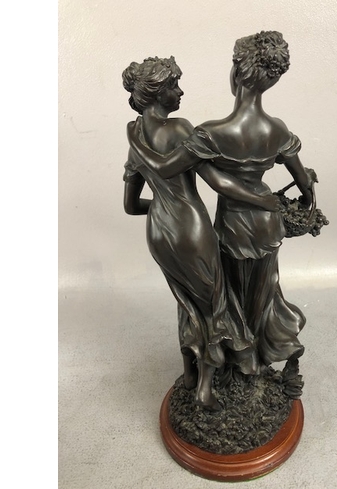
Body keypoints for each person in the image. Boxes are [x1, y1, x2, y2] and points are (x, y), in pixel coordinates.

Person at [127, 32, 316, 369]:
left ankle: (237, 367)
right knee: (263, 291)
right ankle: (256, 361)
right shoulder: (277, 129)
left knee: (230, 294)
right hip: (267, 224)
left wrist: (135, 141)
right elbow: (305, 184)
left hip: (233, 225)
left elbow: (172, 172)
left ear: (235, 74)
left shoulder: (211, 133)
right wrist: (300, 201)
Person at [122, 56, 280, 410]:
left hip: (158, 233)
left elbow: (131, 206)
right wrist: (260, 199)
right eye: (173, 86)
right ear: (156, 93)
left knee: (187, 302)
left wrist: (163, 208)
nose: (180, 92)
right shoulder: (180, 129)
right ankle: (205, 388)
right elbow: (216, 181)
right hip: (191, 230)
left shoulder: (135, 139)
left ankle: (189, 374)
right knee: (214, 306)